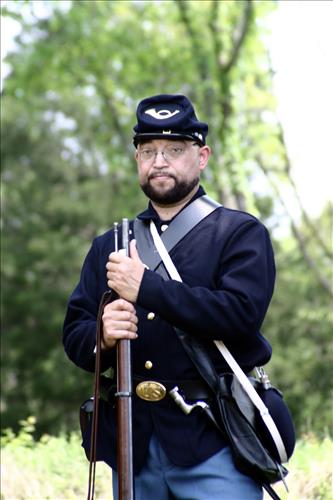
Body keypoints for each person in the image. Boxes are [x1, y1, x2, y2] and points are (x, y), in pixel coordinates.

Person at [63, 94, 277, 500]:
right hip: (133, 441)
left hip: (214, 437)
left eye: (174, 150)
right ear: (137, 160)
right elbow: (74, 336)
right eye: (148, 151)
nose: (159, 161)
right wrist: (102, 336)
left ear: (202, 157)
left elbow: (240, 315)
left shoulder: (238, 233)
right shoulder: (110, 243)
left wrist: (147, 288)